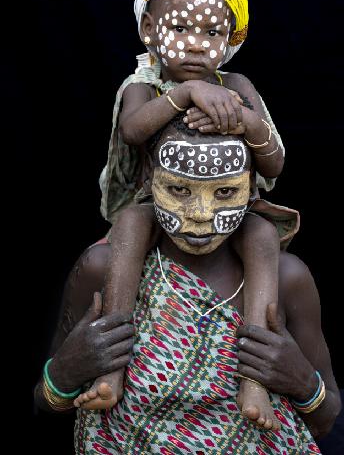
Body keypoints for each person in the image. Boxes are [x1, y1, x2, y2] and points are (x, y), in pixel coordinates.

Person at [34, 121, 341, 453]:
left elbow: (326, 421)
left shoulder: (287, 279)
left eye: (225, 191)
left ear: (250, 187)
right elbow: (44, 405)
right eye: (179, 189)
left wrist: (304, 383)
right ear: (150, 180)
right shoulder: (101, 269)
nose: (200, 214)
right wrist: (65, 372)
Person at [78, 0, 288, 431]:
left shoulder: (236, 83)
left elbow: (274, 160)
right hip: (160, 205)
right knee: (132, 221)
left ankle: (254, 377)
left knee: (260, 236)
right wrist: (185, 95)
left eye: (212, 33)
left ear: (232, 39)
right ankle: (112, 369)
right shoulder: (143, 86)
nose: (196, 45)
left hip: (230, 209)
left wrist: (242, 117)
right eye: (179, 29)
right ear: (148, 29)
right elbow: (132, 132)